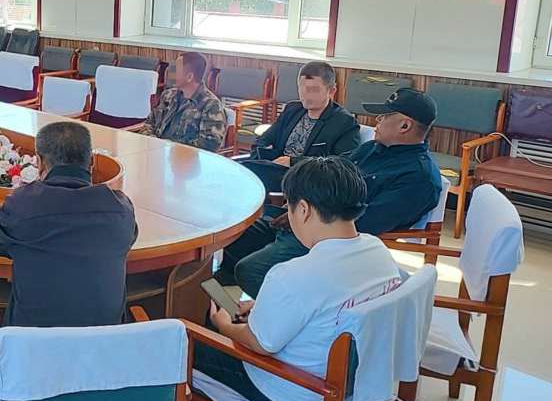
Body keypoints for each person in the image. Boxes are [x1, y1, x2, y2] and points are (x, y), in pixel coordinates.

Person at [186, 156, 402, 401]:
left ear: (304, 209)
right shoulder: (377, 251)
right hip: (354, 378)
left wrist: (224, 326)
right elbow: (327, 308)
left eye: (288, 207)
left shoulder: (294, 273)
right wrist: (264, 308)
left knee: (188, 341)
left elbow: (260, 344)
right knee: (228, 328)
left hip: (295, 391)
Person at [222, 87, 441, 298]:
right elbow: (330, 172)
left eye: (384, 116)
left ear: (405, 125)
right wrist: (297, 206)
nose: (378, 120)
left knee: (250, 271)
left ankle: (290, 317)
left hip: (331, 243)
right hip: (308, 218)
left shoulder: (418, 178)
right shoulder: (374, 148)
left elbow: (367, 223)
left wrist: (307, 216)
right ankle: (227, 293)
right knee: (232, 231)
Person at [0, 121, 138, 327]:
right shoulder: (119, 208)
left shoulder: (21, 205)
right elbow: (129, 238)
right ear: (92, 161)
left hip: (33, 343)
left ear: (39, 162)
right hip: (103, 343)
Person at [243, 61, 360, 192]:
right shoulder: (292, 109)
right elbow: (263, 140)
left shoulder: (344, 122)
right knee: (239, 172)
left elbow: (343, 166)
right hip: (274, 172)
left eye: (312, 90)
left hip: (307, 183)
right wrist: (260, 159)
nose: (305, 95)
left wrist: (293, 162)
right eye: (302, 89)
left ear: (331, 91)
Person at [140, 52, 227, 152]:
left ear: (189, 77)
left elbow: (211, 143)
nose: (171, 73)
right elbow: (149, 124)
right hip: (157, 153)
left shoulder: (211, 105)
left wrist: (172, 147)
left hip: (187, 159)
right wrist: (156, 144)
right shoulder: (167, 96)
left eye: (176, 70)